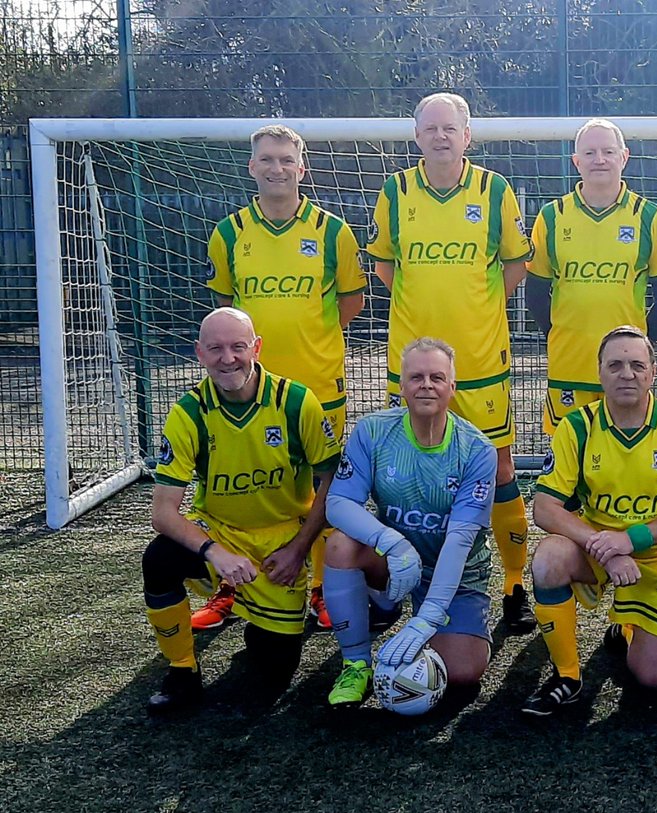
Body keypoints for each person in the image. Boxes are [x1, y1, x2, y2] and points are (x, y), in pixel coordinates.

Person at [366, 92, 536, 633]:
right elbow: (387, 269)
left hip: (481, 358)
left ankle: (512, 586)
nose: (441, 136)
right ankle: (409, 577)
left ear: (468, 136)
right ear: (417, 136)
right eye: (430, 128)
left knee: (501, 470)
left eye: (451, 128)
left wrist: (476, 310)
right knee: (408, 471)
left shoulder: (494, 190)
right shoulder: (395, 191)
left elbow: (515, 267)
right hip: (412, 363)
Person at [201, 123, 366, 631]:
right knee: (238, 487)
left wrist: (309, 342)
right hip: (251, 391)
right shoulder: (229, 233)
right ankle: (231, 587)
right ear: (252, 167)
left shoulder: (333, 231)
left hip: (318, 384)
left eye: (286, 160)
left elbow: (351, 302)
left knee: (323, 489)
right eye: (266, 159)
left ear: (302, 167)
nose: (277, 168)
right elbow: (227, 313)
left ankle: (319, 588)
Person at [141, 308, 341, 714]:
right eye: (215, 348)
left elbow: (332, 483)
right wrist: (215, 551)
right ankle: (182, 669)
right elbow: (163, 514)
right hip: (223, 536)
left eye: (238, 346)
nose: (227, 358)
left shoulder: (296, 403)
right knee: (159, 557)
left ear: (257, 348)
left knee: (272, 673)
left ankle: (260, 620)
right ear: (199, 353)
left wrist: (299, 550)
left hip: (282, 543)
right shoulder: (188, 413)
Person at [523, 326, 657, 715]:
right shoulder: (577, 426)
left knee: (650, 678)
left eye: (637, 365)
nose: (627, 374)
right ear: (600, 373)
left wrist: (631, 541)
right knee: (548, 559)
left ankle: (626, 624)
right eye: (616, 365)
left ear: (652, 373)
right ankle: (568, 677)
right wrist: (605, 547)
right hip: (599, 547)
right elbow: (544, 507)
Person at [320, 337, 498, 706]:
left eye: (437, 377)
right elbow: (338, 502)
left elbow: (460, 541)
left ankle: (421, 614)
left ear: (453, 386)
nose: (426, 385)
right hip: (395, 561)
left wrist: (429, 617)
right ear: (400, 386)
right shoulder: (372, 430)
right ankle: (356, 662)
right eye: (416, 377)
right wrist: (393, 542)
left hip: (456, 572)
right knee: (339, 544)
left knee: (464, 673)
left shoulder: (478, 450)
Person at [526, 118, 657, 436]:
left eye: (608, 152)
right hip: (570, 365)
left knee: (625, 457)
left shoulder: (649, 217)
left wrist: (635, 346)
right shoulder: (552, 217)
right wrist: (563, 336)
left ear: (624, 157)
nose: (600, 160)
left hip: (627, 373)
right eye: (591, 152)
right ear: (576, 161)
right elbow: (536, 296)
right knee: (568, 462)